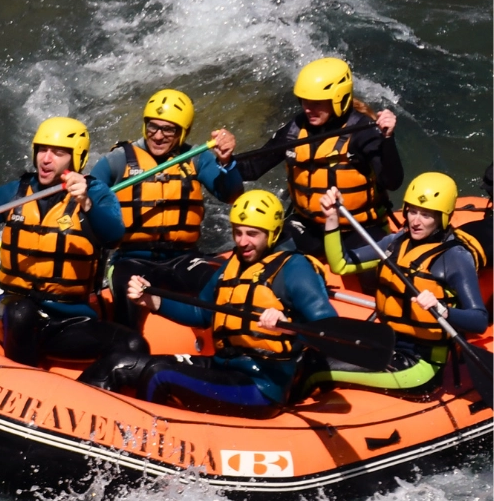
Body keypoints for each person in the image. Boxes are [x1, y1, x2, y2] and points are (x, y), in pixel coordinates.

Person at [90, 190, 337, 414]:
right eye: (237, 232)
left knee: (159, 375)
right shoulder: (234, 264)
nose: (242, 242)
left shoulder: (294, 268)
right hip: (222, 366)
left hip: (261, 385)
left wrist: (287, 326)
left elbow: (331, 329)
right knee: (120, 364)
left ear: (272, 233)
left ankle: (137, 452)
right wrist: (153, 300)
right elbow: (201, 312)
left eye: (252, 234)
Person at [0, 117, 141, 368]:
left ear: (76, 158)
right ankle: (17, 377)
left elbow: (113, 236)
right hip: (13, 313)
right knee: (21, 312)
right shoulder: (16, 193)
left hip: (69, 321)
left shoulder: (96, 194)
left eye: (58, 153)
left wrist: (86, 203)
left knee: (133, 345)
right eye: (42, 150)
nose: (46, 159)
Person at [316, 175, 487, 391]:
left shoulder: (455, 257)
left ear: (442, 218)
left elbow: (479, 320)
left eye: (426, 215)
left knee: (319, 368)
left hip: (420, 364)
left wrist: (443, 311)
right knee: (317, 350)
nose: (415, 221)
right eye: (412, 211)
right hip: (387, 343)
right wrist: (331, 219)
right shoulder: (395, 242)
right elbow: (340, 264)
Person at [89, 89, 242, 326]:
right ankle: (128, 350)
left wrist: (226, 161)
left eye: (168, 129)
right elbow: (89, 199)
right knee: (129, 296)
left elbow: (231, 194)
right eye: (152, 127)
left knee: (225, 283)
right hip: (132, 260)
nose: (158, 136)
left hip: (183, 259)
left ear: (183, 132)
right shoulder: (118, 160)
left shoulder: (196, 158)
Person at [234, 58, 402, 260]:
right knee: (268, 256)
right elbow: (252, 169)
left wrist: (387, 138)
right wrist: (224, 159)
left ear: (338, 99)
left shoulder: (363, 132)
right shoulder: (296, 129)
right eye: (304, 101)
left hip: (356, 228)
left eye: (316, 103)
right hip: (307, 226)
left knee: (377, 278)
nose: (307, 109)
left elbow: (392, 182)